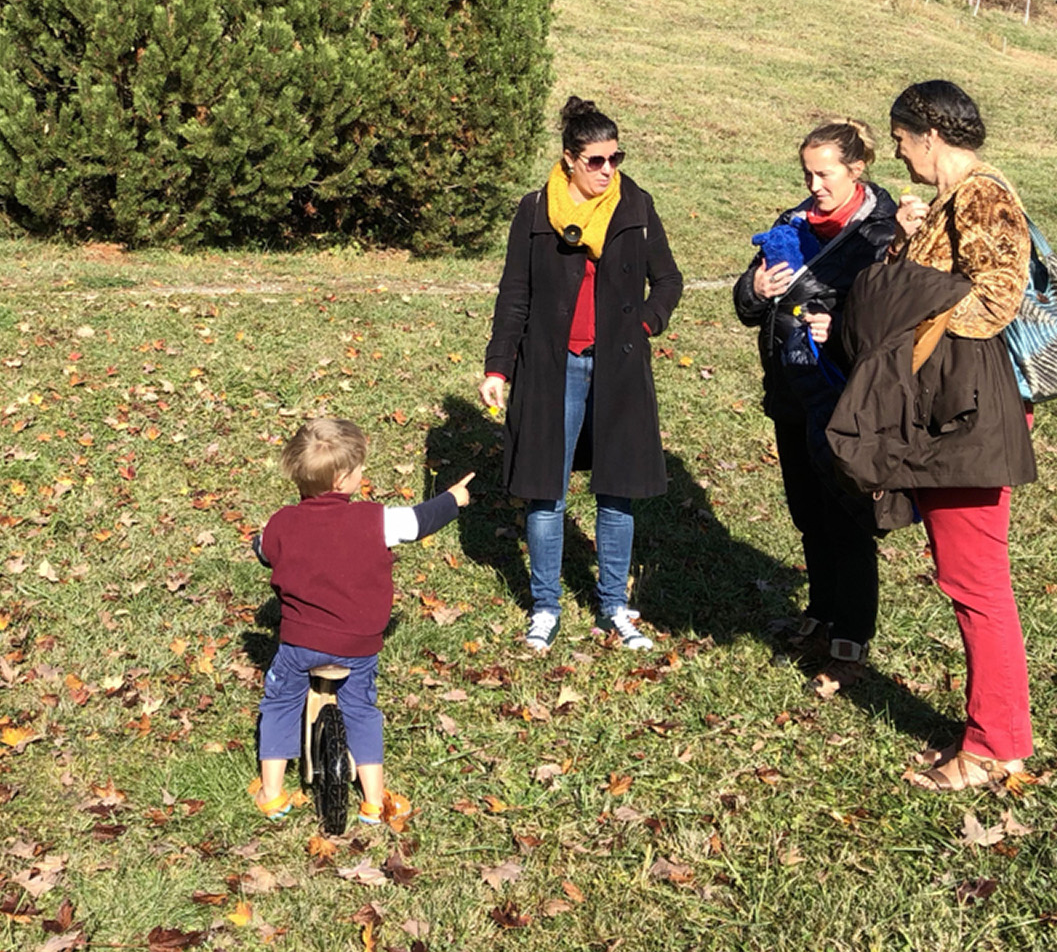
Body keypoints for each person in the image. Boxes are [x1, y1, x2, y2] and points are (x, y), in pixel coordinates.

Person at [843, 78, 1037, 792]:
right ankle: (995, 738)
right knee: (967, 578)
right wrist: (909, 244)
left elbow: (996, 298)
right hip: (950, 408)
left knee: (975, 582)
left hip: (969, 412)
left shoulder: (983, 194)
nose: (899, 153)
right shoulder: (952, 202)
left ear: (930, 135)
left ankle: (993, 747)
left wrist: (911, 316)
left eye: (901, 140)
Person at [480, 96, 683, 653]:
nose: (608, 170)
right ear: (569, 159)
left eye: (616, 158)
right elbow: (515, 294)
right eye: (596, 160)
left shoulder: (635, 205)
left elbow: (668, 280)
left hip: (620, 366)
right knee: (545, 490)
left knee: (618, 491)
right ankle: (545, 606)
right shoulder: (535, 211)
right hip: (551, 366)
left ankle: (614, 605)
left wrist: (645, 322)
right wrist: (498, 366)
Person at [732, 118, 899, 666]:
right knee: (807, 510)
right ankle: (822, 610)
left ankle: (852, 629)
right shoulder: (791, 222)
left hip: (844, 395)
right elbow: (746, 305)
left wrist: (843, 328)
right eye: (807, 173)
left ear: (857, 170)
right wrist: (754, 288)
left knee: (845, 514)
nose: (813, 185)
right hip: (791, 389)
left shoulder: (883, 234)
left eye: (824, 174)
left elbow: (895, 318)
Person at [252, 416, 474, 823]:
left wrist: (262, 544)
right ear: (342, 479)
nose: (362, 473)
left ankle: (271, 793)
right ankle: (373, 800)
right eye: (358, 469)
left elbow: (264, 550)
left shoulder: (281, 523)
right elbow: (419, 521)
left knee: (280, 703)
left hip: (300, 643)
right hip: (358, 644)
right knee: (361, 710)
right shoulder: (376, 519)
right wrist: (452, 499)